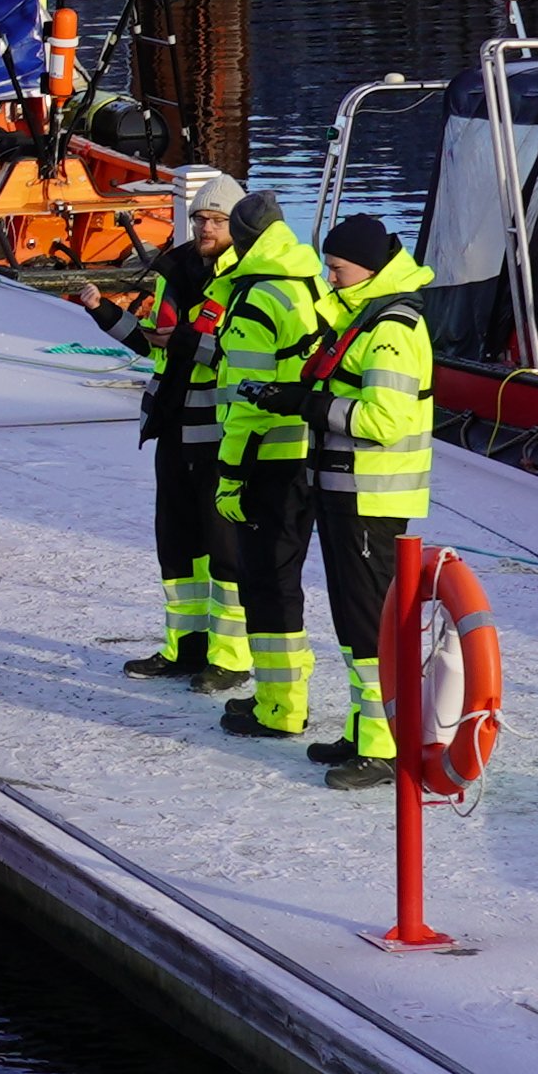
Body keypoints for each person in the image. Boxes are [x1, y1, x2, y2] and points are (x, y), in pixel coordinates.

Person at [304, 213, 435, 785]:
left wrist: (311, 408)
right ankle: (366, 729)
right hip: (347, 490)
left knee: (369, 625)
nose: (330, 278)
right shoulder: (364, 314)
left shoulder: (393, 328)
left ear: (369, 267)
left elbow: (385, 419)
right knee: (352, 622)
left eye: (337, 268)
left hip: (371, 497)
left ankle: (385, 748)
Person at [207, 193, 335, 741]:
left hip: (267, 459)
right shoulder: (310, 283)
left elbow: (246, 400)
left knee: (267, 585)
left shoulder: (257, 298)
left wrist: (230, 474)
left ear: (242, 237)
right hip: (310, 451)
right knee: (283, 580)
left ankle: (279, 707)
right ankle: (279, 697)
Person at [112, 165, 240, 683]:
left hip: (220, 431)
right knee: (178, 547)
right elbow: (153, 344)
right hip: (172, 426)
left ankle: (229, 659)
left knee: (224, 551)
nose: (206, 228)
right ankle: (184, 648)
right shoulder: (175, 268)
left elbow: (236, 353)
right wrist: (103, 315)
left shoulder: (244, 279)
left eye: (217, 220)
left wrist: (186, 341)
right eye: (200, 218)